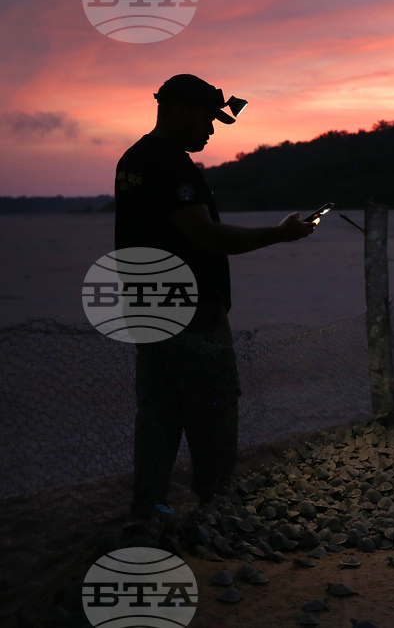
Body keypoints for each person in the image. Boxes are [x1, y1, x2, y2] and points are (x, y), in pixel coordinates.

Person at [115, 74, 316, 520]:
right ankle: (214, 501)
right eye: (207, 119)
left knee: (159, 411)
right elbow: (203, 236)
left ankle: (148, 505)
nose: (210, 130)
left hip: (147, 306)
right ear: (181, 109)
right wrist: (279, 235)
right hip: (190, 310)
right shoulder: (173, 165)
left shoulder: (133, 159)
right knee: (214, 405)